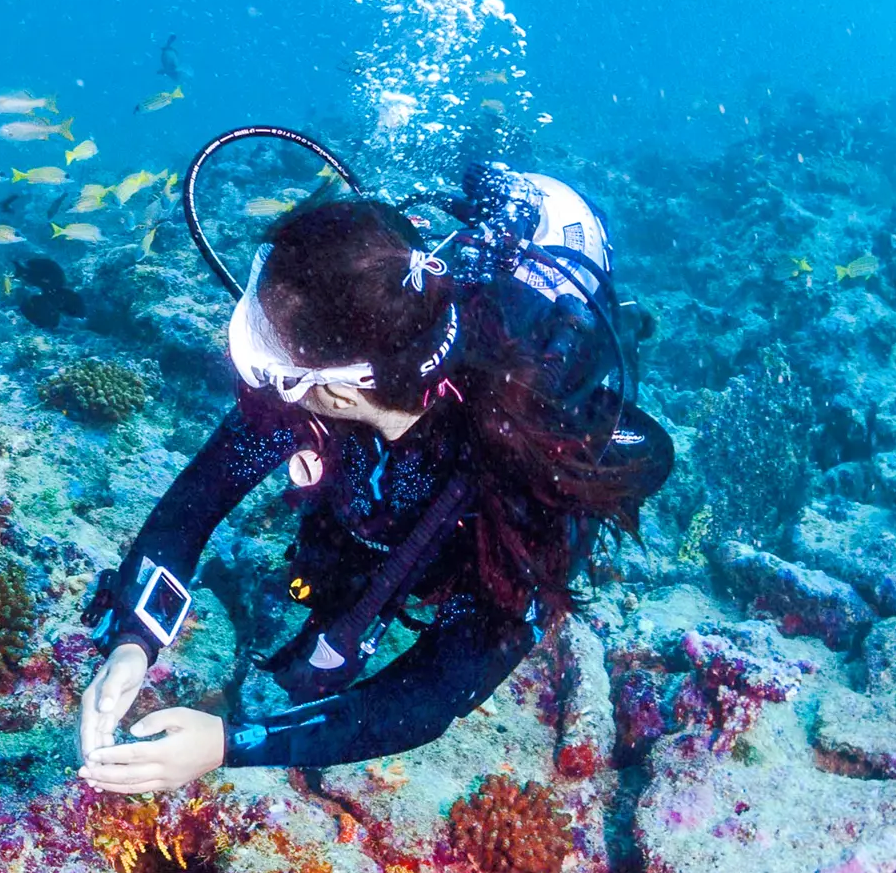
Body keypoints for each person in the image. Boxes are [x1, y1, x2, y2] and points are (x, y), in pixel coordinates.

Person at [76, 190, 672, 793]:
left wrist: (228, 746)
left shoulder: (524, 480)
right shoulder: (342, 370)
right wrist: (133, 641)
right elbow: (193, 506)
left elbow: (437, 691)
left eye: (270, 363)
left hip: (507, 477)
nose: (260, 385)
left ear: (337, 393)